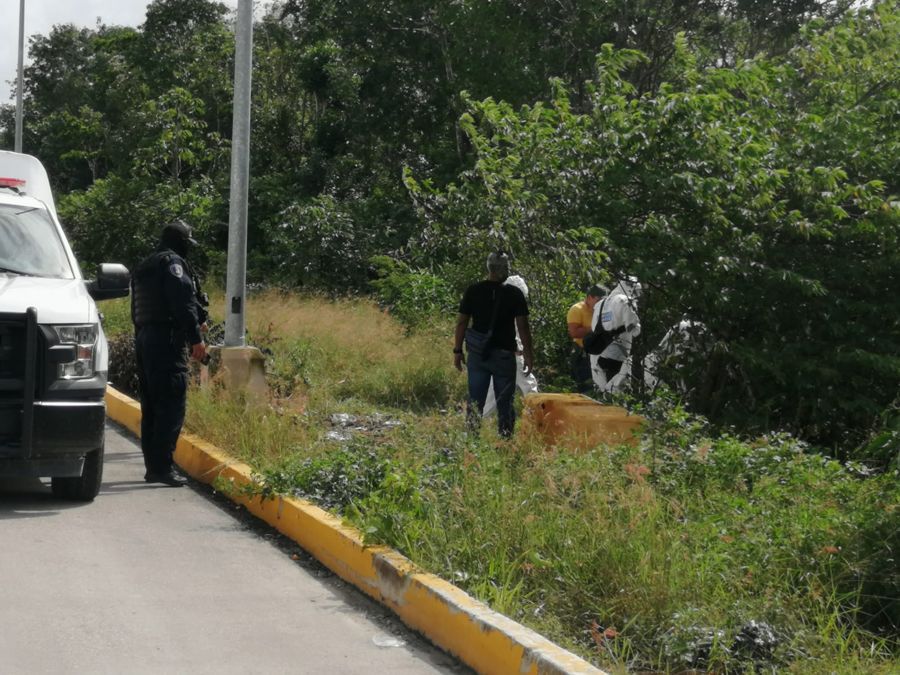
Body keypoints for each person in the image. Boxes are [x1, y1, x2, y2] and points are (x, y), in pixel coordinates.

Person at [131, 220, 208, 487]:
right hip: (166, 341)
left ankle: (154, 467)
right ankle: (163, 468)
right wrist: (195, 338)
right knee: (171, 405)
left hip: (144, 340)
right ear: (181, 242)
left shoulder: (146, 265)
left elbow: (139, 309)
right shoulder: (173, 265)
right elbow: (182, 301)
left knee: (151, 405)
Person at [453, 252, 534, 438]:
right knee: (505, 402)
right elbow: (523, 327)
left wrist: (457, 350)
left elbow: (462, 323)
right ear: (505, 269)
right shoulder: (514, 294)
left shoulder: (473, 291)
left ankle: (471, 441)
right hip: (504, 356)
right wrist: (529, 354)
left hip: (478, 355)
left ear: (488, 268)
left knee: (475, 401)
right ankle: (505, 441)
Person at [482, 275, 539, 418]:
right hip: (511, 353)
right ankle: (537, 416)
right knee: (528, 384)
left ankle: (477, 419)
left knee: (493, 390)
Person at [590, 276, 641, 393]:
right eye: (637, 292)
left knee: (601, 393)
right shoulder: (626, 301)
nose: (638, 296)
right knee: (615, 395)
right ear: (630, 288)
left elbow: (594, 328)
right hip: (617, 357)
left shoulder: (600, 304)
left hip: (599, 356)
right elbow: (635, 331)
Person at [567, 284, 606, 391]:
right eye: (598, 300)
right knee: (585, 386)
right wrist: (594, 328)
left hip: (599, 353)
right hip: (582, 354)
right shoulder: (577, 309)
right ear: (589, 297)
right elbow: (574, 332)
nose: (601, 304)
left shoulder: (602, 310)